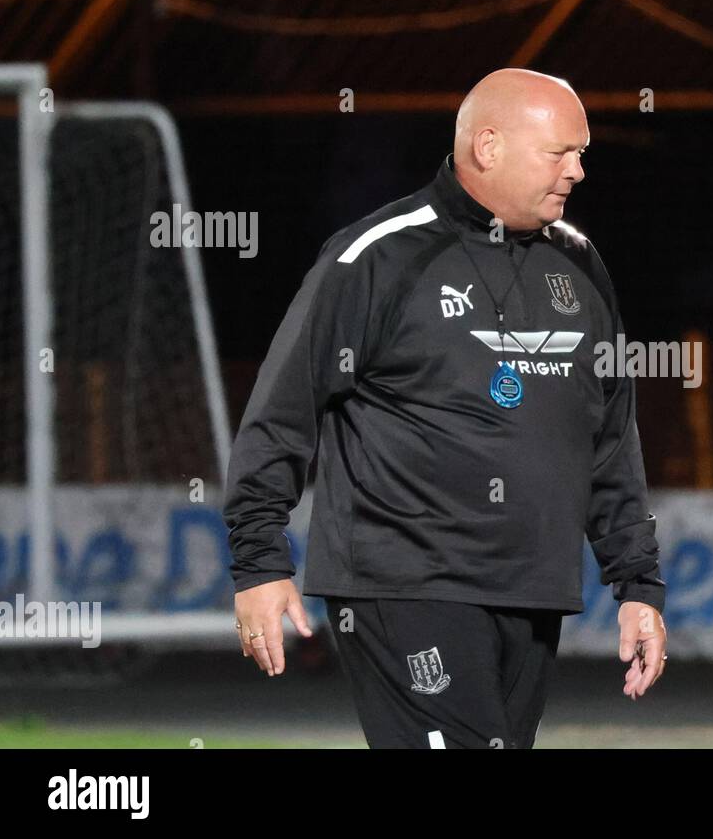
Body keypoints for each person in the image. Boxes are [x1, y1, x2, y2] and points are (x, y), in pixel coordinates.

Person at [222, 68, 667, 749]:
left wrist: (637, 583)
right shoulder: (375, 257)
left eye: (582, 154)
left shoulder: (580, 263)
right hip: (407, 581)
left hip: (532, 588)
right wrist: (259, 561)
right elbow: (283, 413)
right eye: (560, 153)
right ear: (488, 147)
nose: (577, 171)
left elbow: (608, 436)